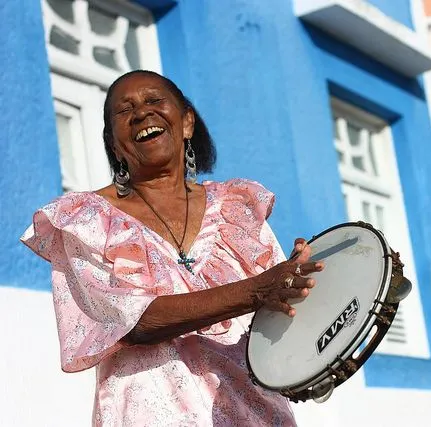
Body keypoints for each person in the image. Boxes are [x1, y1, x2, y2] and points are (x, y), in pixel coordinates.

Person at [20, 70, 323, 426]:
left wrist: (305, 283)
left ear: (187, 122)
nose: (141, 113)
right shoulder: (85, 222)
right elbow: (136, 321)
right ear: (115, 144)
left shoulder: (237, 208)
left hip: (255, 414)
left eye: (154, 100)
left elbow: (276, 321)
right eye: (124, 110)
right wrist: (258, 289)